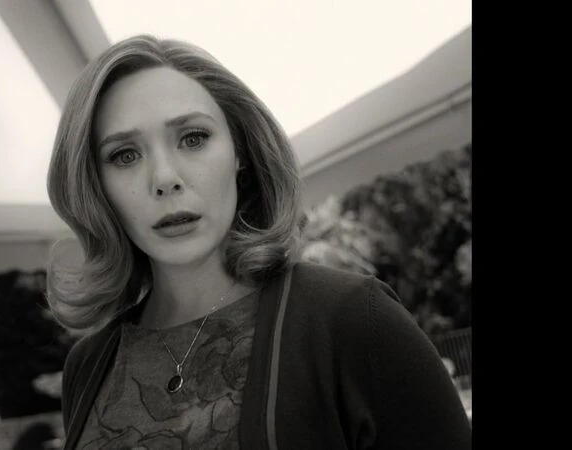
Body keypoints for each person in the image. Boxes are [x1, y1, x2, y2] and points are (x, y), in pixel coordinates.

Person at [45, 34, 471, 450]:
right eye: (124, 155)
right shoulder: (88, 365)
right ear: (95, 186)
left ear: (241, 152)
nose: (164, 178)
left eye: (193, 138)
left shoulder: (354, 318)